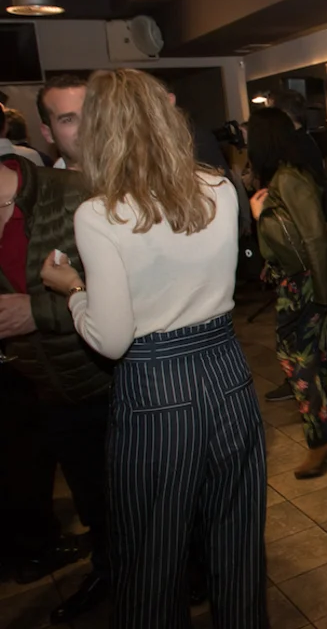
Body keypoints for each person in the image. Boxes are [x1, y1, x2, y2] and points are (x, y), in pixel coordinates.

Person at [39, 69, 267, 629]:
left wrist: (73, 291)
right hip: (228, 373)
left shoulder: (100, 214)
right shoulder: (219, 188)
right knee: (237, 545)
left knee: (151, 557)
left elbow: (111, 337)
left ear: (101, 129)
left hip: (155, 386)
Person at [0, 156, 111, 623]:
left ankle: (184, 569)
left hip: (108, 378)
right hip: (43, 389)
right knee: (92, 500)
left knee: (148, 494)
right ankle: (109, 572)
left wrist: (37, 313)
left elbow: (126, 292)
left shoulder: (71, 193)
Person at [248, 106, 327, 478]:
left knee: (296, 362)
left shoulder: (289, 178)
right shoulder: (285, 175)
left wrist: (321, 295)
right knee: (313, 359)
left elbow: (313, 238)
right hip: (302, 283)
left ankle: (321, 441)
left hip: (302, 285)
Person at [262, 88, 327, 404]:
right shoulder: (299, 150)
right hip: (307, 265)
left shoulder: (295, 158)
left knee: (302, 341)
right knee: (314, 336)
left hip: (303, 266)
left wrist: (322, 288)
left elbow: (311, 230)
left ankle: (316, 392)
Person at [37, 74, 86, 171]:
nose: (86, 127)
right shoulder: (47, 180)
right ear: (48, 134)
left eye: (90, 115)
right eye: (68, 120)